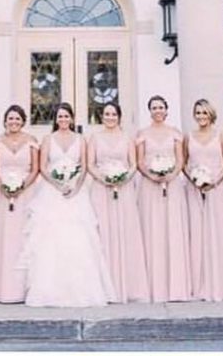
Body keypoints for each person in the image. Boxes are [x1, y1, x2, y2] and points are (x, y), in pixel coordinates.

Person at [20, 101, 115, 307]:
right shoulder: (47, 140)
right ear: (55, 119)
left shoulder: (81, 140)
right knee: (50, 240)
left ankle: (81, 289)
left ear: (72, 118)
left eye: (66, 116)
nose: (63, 120)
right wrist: (57, 184)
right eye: (60, 116)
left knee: (78, 239)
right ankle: (49, 290)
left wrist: (76, 186)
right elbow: (43, 167)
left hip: (75, 194)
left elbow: (84, 167)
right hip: (52, 193)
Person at [87, 100, 151, 303]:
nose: (110, 117)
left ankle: (127, 285)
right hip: (100, 189)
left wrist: (123, 177)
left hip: (123, 190)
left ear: (119, 117)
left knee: (125, 232)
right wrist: (103, 178)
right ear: (101, 117)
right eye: (106, 114)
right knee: (103, 232)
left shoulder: (127, 138)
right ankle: (103, 286)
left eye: (113, 114)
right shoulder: (94, 138)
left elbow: (133, 164)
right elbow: (90, 164)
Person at [136, 94, 191, 301]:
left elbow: (180, 160)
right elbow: (140, 161)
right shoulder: (142, 134)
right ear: (149, 111)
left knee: (172, 228)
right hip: (149, 187)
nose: (158, 111)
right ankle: (152, 284)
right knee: (152, 228)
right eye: (154, 108)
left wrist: (170, 175)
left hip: (172, 185)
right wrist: (152, 175)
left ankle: (175, 284)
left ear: (166, 110)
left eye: (161, 107)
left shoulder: (175, 133)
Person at [0, 103, 40, 303]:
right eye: (10, 118)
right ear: (5, 121)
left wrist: (21, 186)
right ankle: (1, 288)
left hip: (25, 194)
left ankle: (23, 288)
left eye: (17, 118)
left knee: (22, 237)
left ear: (23, 121)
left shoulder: (31, 141)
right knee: (4, 237)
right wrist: (3, 187)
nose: (14, 122)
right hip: (1, 196)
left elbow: (35, 169)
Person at [184, 99, 223, 301]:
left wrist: (214, 181)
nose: (201, 117)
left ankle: (221, 281)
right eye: (198, 113)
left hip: (216, 187)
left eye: (204, 113)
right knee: (197, 232)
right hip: (194, 188)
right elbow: (185, 163)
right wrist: (194, 179)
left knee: (217, 231)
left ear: (211, 115)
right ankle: (198, 281)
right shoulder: (189, 137)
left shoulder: (221, 136)